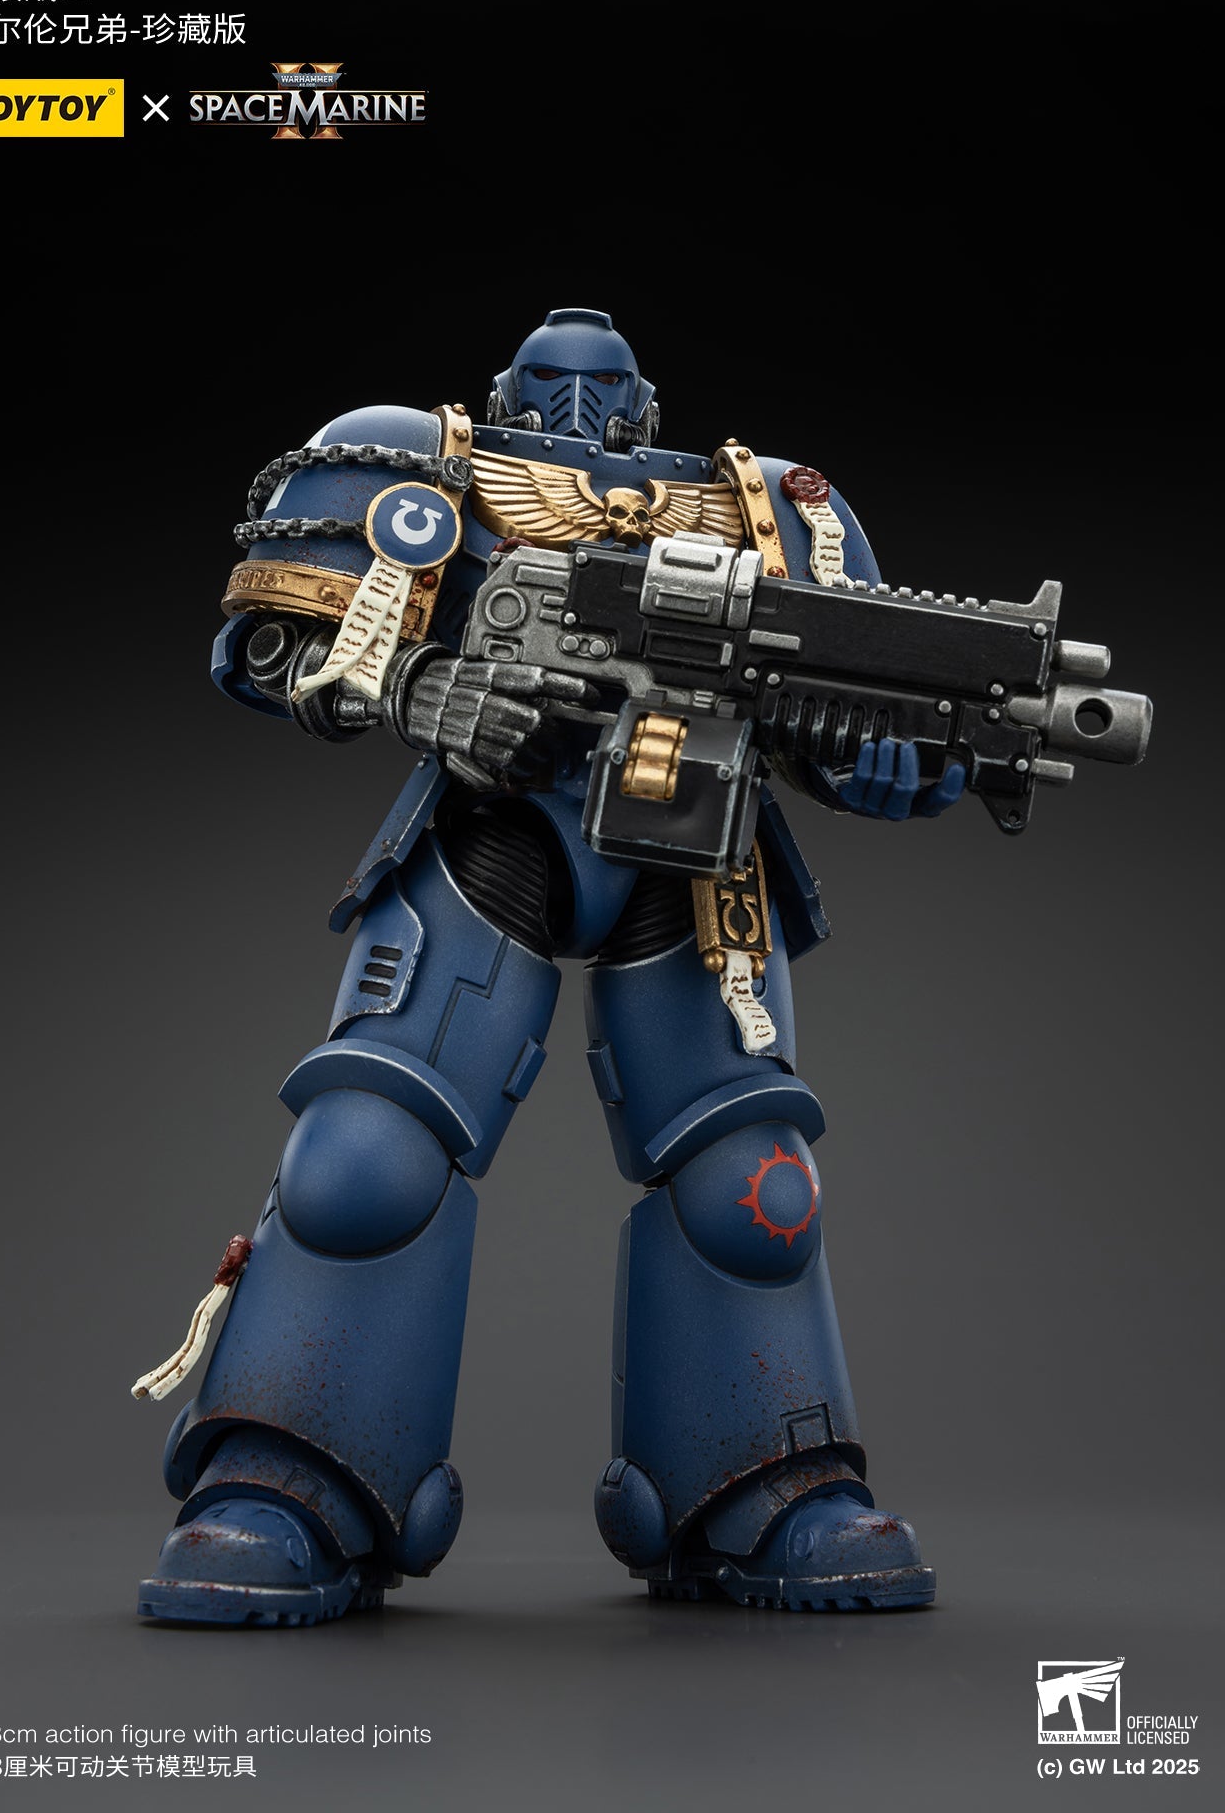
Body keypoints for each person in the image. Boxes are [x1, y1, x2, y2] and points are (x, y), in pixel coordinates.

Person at [137, 308, 963, 1625]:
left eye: (610, 382)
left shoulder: (772, 505)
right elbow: (271, 637)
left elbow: (887, 731)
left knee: (752, 1190)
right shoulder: (419, 457)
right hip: (498, 830)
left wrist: (873, 745)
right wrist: (426, 691)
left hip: (696, 858)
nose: (583, 397)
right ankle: (291, 1470)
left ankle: (760, 1483)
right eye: (551, 379)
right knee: (363, 1163)